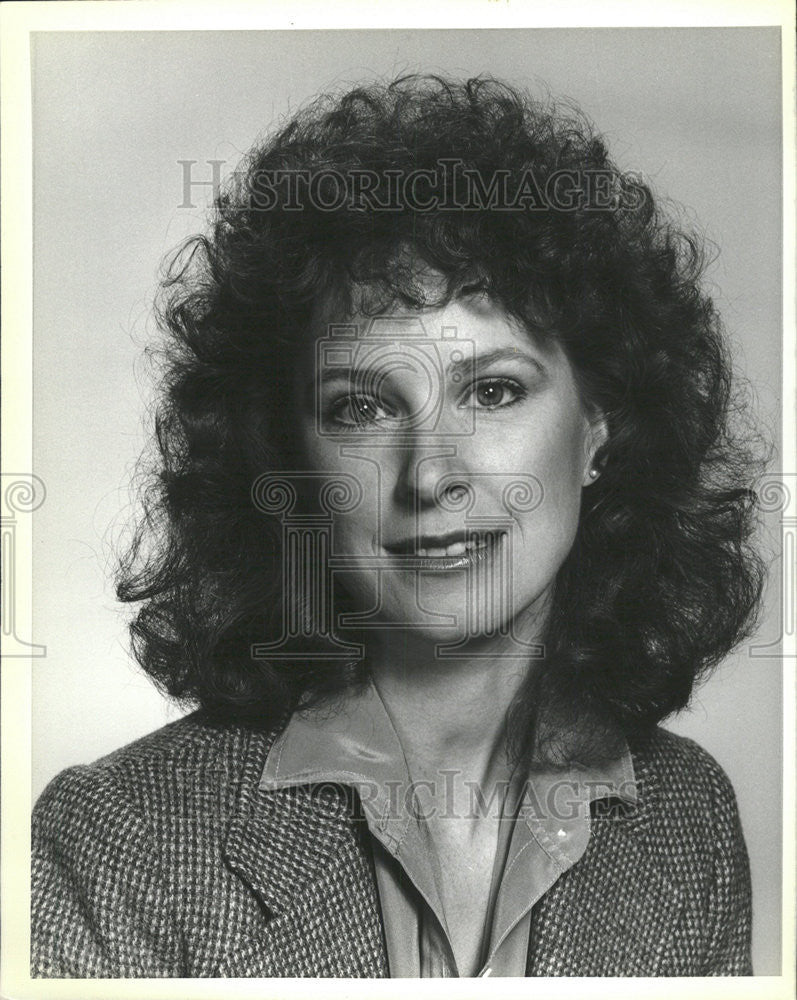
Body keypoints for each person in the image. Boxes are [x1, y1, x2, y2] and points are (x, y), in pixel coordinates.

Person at [31, 75, 765, 978]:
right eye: (364, 408)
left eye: (492, 392)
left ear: (599, 428)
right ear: (291, 459)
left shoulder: (686, 821)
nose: (429, 474)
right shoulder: (120, 838)